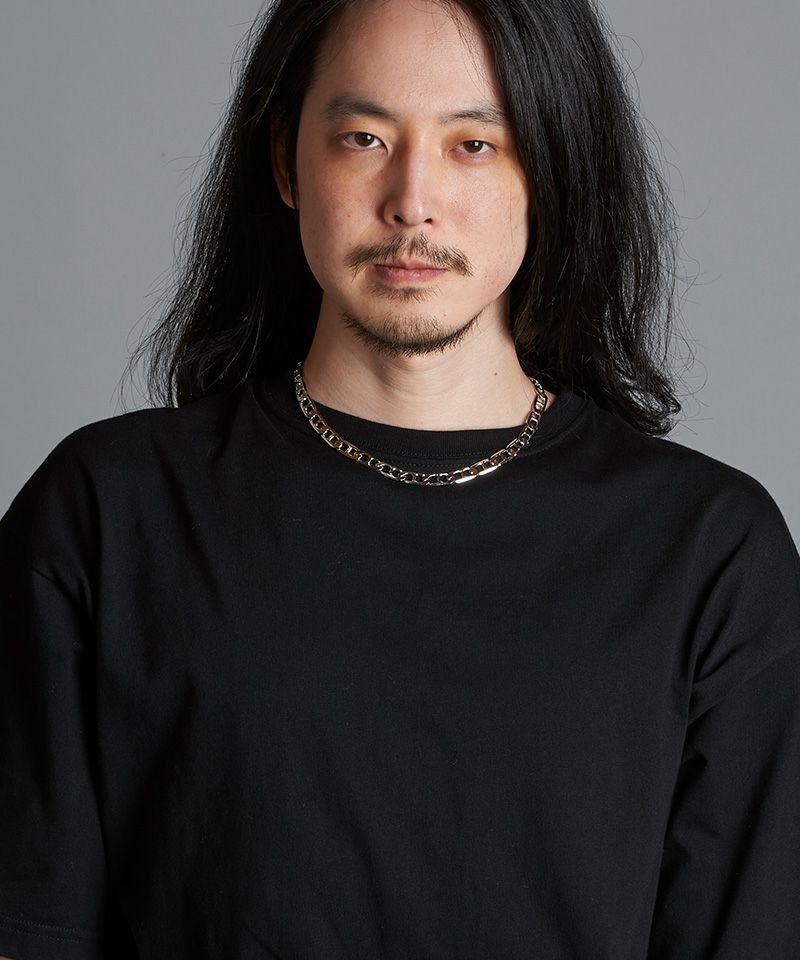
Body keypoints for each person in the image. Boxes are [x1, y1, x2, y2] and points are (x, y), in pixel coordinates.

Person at [1, 0, 798, 957]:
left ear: (554, 169)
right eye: (364, 138)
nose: (412, 201)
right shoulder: (105, 513)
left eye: (474, 145)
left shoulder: (708, 552)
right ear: (286, 162)